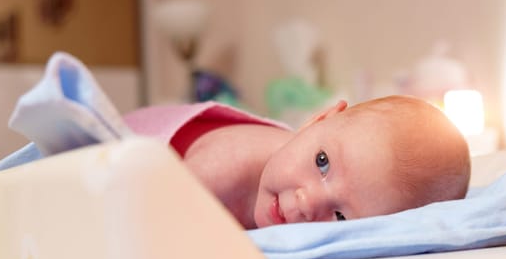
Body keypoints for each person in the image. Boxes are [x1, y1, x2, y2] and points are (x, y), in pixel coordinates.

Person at [125, 95, 471, 230]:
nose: (307, 203)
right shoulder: (226, 165)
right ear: (318, 119)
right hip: (128, 148)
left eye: (339, 216)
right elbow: (140, 220)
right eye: (322, 162)